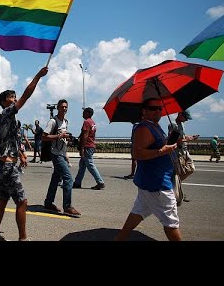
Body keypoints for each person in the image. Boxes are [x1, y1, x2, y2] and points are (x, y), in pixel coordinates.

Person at [0, 66, 48, 241]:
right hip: (7, 166)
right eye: (11, 98)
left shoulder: (11, 119)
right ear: (4, 102)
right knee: (22, 201)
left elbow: (14, 139)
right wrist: (38, 76)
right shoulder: (7, 113)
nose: (15, 100)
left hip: (7, 163)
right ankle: (23, 238)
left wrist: (21, 155)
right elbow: (26, 96)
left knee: (2, 200)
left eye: (15, 97)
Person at [115, 98, 180, 241]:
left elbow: (158, 146)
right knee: (171, 223)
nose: (157, 111)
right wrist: (163, 151)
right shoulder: (144, 128)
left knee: (138, 212)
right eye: (153, 108)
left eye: (159, 108)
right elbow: (138, 154)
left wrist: (175, 142)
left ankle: (120, 239)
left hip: (150, 181)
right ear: (144, 111)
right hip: (157, 183)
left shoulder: (155, 126)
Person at [43, 99, 81, 216]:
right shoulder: (53, 122)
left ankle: (48, 202)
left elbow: (62, 136)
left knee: (56, 179)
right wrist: (59, 136)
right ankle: (67, 206)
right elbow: (44, 137)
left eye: (66, 107)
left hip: (62, 153)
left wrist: (67, 138)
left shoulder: (65, 121)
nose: (64, 109)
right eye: (62, 107)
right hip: (56, 154)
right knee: (68, 178)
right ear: (58, 108)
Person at [72, 107, 105, 190]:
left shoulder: (86, 122)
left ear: (88, 113)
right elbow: (84, 134)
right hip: (91, 145)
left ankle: (100, 182)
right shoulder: (92, 122)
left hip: (87, 146)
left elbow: (85, 136)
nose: (82, 114)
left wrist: (82, 148)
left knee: (90, 164)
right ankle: (77, 182)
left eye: (84, 112)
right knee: (82, 166)